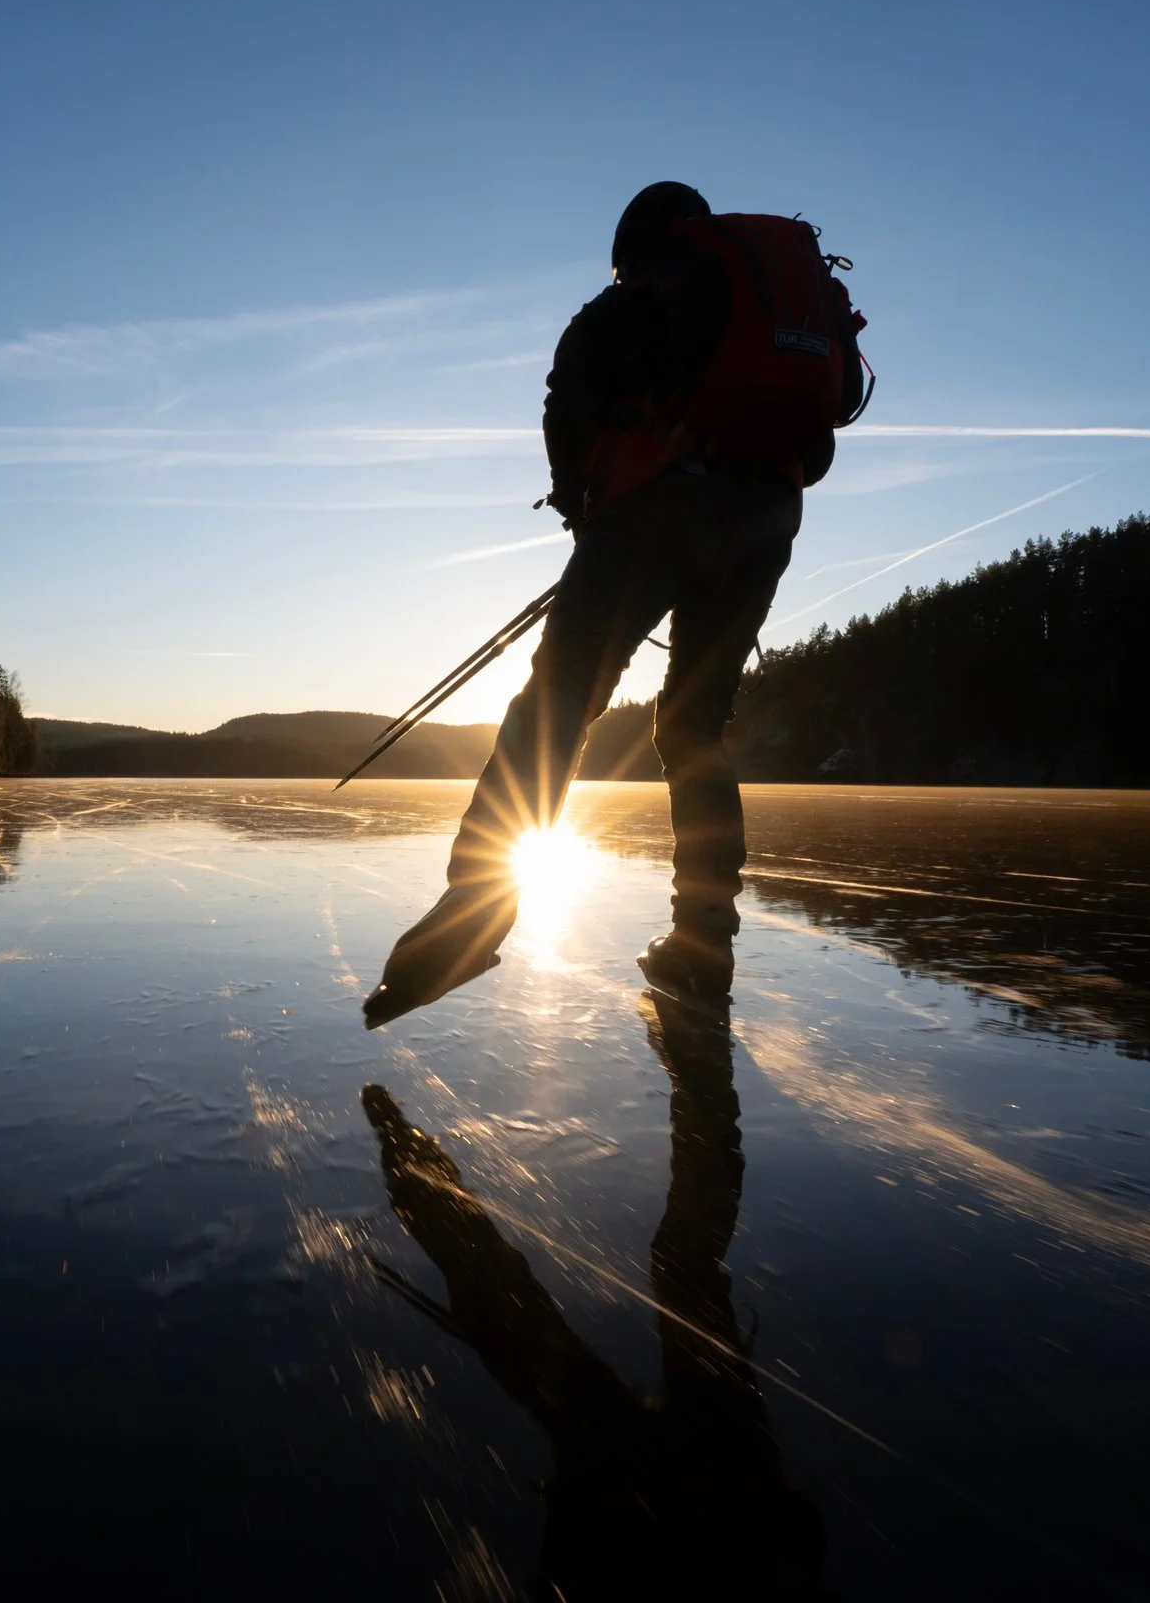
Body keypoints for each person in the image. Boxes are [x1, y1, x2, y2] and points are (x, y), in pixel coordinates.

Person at [364, 182, 868, 1028]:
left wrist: (584, 511)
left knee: (559, 700)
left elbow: (568, 410)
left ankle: (474, 910)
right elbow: (827, 423)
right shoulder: (769, 294)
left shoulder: (622, 306)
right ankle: (703, 942)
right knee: (694, 728)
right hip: (767, 517)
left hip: (653, 510)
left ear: (633, 248)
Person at [359, 980, 827, 1597]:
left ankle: (415, 1166)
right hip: (716, 1512)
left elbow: (801, 1540)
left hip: (663, 1515)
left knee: (540, 1317)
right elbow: (801, 1543)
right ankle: (694, 1040)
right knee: (668, 1276)